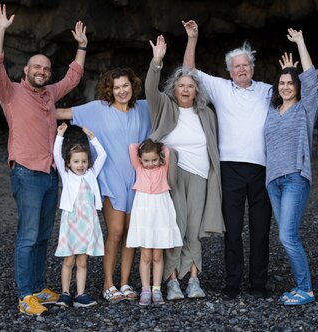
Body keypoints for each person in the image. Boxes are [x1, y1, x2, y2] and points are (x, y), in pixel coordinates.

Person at [0, 2, 87, 315]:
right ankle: (24, 296)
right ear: (26, 71)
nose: (42, 71)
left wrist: (82, 46)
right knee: (28, 236)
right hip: (27, 174)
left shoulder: (50, 94)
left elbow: (73, 77)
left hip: (50, 174)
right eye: (36, 68)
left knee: (43, 236)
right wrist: (0, 31)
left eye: (46, 68)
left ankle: (38, 287)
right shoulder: (11, 93)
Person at [182, 19, 273, 299]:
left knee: (260, 230)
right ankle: (232, 283)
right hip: (230, 168)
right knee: (233, 230)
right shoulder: (220, 88)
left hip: (262, 168)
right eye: (236, 66)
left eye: (245, 65)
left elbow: (295, 89)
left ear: (252, 68)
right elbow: (188, 71)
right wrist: (193, 39)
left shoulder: (267, 90)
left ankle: (258, 284)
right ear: (229, 71)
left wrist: (311, 72)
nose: (241, 69)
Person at [56, 66, 151, 303]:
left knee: (131, 234)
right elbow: (61, 112)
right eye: (116, 87)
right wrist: (25, 106)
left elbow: (173, 105)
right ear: (110, 89)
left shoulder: (144, 108)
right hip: (110, 177)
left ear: (133, 86)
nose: (122, 91)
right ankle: (108, 284)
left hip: (137, 178)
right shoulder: (98, 109)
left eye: (125, 85)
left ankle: (125, 282)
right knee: (116, 232)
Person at [147, 35, 224, 301]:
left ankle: (193, 279)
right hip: (172, 176)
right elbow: (150, 88)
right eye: (181, 85)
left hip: (200, 176)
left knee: (193, 230)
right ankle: (171, 281)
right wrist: (156, 62)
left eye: (190, 86)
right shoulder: (164, 107)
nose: (186, 89)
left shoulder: (206, 114)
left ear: (197, 91)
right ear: (174, 89)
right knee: (175, 226)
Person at [263, 29, 318, 305]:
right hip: (272, 181)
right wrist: (288, 70)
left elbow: (310, 79)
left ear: (297, 88)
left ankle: (306, 289)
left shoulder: (305, 108)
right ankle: (299, 286)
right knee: (286, 236)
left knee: (288, 236)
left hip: (295, 178)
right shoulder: (271, 110)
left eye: (290, 83)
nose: (285, 86)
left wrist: (300, 42)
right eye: (282, 82)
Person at [52, 124, 105, 308]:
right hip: (71, 222)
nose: (80, 165)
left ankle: (80, 295)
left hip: (87, 222)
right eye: (76, 161)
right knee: (69, 259)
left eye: (83, 161)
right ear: (68, 163)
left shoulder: (91, 174)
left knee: (82, 260)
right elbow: (56, 155)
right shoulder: (67, 175)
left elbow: (103, 155)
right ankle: (65, 293)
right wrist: (60, 136)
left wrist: (92, 138)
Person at [125, 140, 183, 306]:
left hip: (160, 211)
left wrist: (158, 147)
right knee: (145, 255)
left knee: (158, 255)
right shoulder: (139, 168)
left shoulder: (163, 168)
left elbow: (167, 151)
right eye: (146, 160)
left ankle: (156, 289)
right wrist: (146, 147)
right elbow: (132, 147)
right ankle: (146, 289)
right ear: (140, 159)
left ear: (160, 158)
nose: (150, 164)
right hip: (144, 211)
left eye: (154, 160)